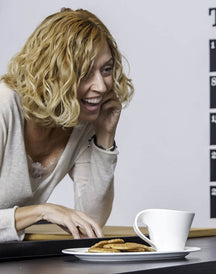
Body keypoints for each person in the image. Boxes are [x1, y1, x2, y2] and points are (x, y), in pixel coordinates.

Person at [0, 8, 134, 242]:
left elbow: (90, 222)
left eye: (106, 69)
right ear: (51, 73)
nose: (102, 87)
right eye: (84, 73)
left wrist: (104, 139)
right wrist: (42, 211)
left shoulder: (79, 122)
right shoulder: (4, 107)